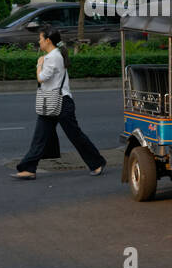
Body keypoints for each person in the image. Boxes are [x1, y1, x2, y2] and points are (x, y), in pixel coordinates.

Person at [14, 26, 107, 179]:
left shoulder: (53, 57)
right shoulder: (55, 55)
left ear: (48, 40)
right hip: (51, 101)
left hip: (61, 103)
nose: (39, 42)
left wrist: (39, 64)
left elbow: (41, 78)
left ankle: (97, 162)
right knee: (40, 136)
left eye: (40, 39)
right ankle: (29, 168)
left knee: (75, 135)